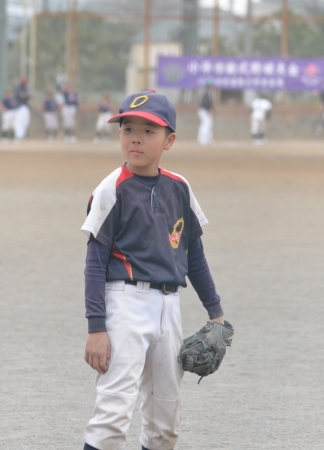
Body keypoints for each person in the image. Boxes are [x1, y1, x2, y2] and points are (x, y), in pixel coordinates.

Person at [81, 90, 227, 450]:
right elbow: (95, 262)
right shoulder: (111, 189)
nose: (136, 138)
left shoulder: (180, 187)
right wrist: (96, 328)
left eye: (149, 131)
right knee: (113, 415)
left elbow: (194, 255)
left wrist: (216, 312)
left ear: (169, 140)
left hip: (169, 307)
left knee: (165, 421)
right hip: (125, 304)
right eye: (128, 128)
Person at [13, 76, 31, 141]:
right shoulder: (18, 88)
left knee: (25, 122)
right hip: (19, 107)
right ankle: (18, 135)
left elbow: (28, 95)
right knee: (19, 122)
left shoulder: (26, 88)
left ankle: (22, 135)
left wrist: (27, 94)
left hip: (25, 107)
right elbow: (20, 96)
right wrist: (26, 95)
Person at [197, 79, 214, 145]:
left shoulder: (208, 92)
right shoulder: (205, 93)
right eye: (210, 85)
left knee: (208, 124)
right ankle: (202, 139)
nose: (211, 87)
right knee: (205, 125)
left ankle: (208, 139)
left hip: (205, 110)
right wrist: (208, 110)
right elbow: (205, 103)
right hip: (204, 111)